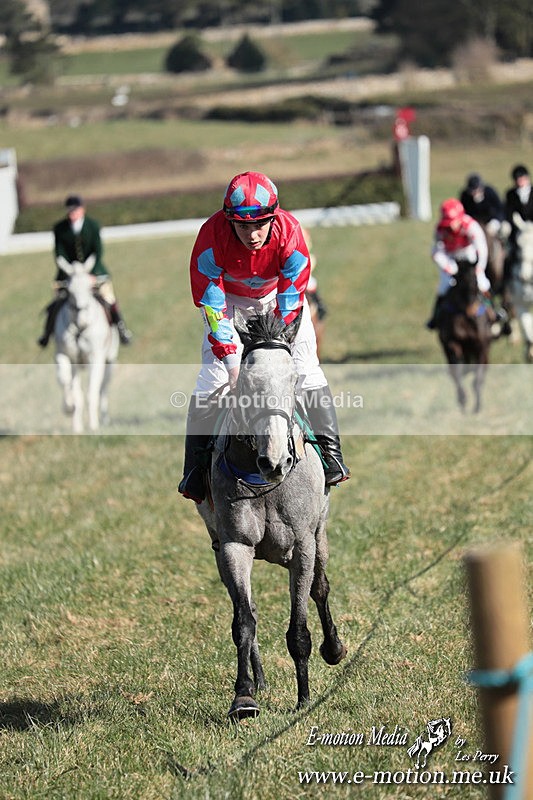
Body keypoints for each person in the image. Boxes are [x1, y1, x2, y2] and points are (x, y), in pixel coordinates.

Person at [178, 170, 350, 503]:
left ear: (274, 217)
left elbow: (292, 296)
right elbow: (211, 301)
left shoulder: (290, 232)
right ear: (229, 221)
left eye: (260, 224)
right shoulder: (211, 236)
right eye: (243, 226)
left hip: (279, 300)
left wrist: (279, 345)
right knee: (210, 380)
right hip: (229, 303)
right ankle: (196, 470)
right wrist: (230, 357)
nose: (253, 234)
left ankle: (331, 456)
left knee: (308, 370)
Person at [38, 195, 132, 347]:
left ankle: (122, 329)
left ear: (82, 210)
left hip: (94, 272)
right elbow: (59, 253)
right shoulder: (59, 228)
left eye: (75, 210)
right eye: (70, 211)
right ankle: (47, 333)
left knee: (109, 298)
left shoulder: (93, 226)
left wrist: (90, 273)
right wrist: (69, 270)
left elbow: (98, 251)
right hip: (68, 274)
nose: (72, 214)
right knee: (56, 303)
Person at [426, 197, 491, 329]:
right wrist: (448, 267)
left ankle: (493, 311)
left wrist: (479, 267)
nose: (450, 226)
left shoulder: (471, 225)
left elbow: (482, 248)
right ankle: (436, 316)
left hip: (469, 257)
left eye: (452, 221)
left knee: (482, 283)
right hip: (450, 258)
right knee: (444, 287)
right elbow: (437, 252)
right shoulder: (440, 229)